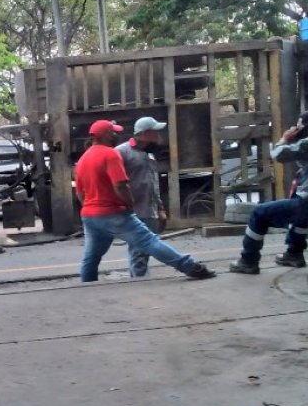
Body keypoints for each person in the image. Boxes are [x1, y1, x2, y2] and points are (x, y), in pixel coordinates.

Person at [77, 120, 216, 282]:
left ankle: (86, 285)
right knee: (149, 241)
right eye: (114, 132)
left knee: (91, 257)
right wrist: (129, 206)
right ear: (106, 135)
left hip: (90, 215)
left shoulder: (83, 159)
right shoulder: (111, 154)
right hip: (113, 212)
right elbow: (120, 185)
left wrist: (89, 208)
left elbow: (80, 193)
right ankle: (191, 267)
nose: (117, 135)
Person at [230, 109, 308, 274]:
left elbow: (278, 155)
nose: (296, 130)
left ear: (306, 127)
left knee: (259, 213)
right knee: (297, 207)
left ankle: (248, 260)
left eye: (298, 127)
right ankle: (294, 254)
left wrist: (285, 139)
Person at [115, 116, 169, 278]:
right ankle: (139, 283)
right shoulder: (121, 152)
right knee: (139, 251)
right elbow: (115, 182)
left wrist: (160, 208)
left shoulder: (149, 155)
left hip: (150, 209)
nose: (159, 134)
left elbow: (154, 184)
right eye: (156, 131)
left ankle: (140, 278)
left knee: (144, 251)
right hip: (135, 210)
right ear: (145, 133)